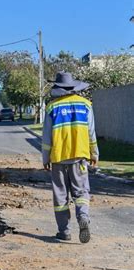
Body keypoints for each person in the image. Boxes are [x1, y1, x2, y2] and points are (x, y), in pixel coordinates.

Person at [42, 72, 99, 243]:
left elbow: (46, 137)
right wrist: (94, 153)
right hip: (79, 156)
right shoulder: (86, 105)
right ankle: (83, 216)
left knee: (60, 196)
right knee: (81, 192)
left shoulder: (52, 107)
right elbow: (91, 133)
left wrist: (46, 158)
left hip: (59, 158)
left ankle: (64, 231)